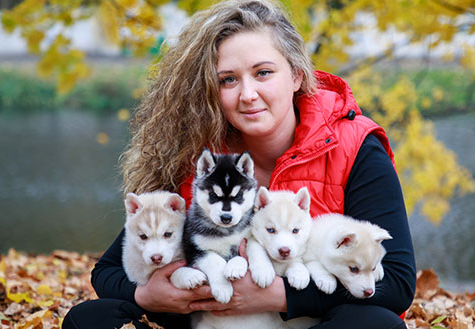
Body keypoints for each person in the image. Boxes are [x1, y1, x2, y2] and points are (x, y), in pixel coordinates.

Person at [62, 0, 416, 328]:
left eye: (263, 73)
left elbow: (397, 284)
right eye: (228, 79)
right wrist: (148, 294)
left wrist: (278, 295)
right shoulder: (202, 159)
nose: (247, 95)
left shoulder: (355, 146)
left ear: (295, 75)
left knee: (376, 325)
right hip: (213, 323)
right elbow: (107, 272)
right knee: (90, 319)